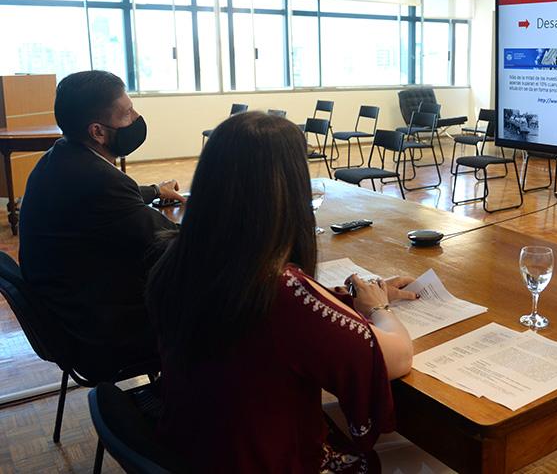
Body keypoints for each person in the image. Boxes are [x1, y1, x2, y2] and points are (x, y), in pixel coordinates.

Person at [147, 111, 416, 473]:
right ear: (288, 190)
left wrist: (349, 298)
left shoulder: (178, 259)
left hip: (198, 447)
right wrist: (381, 307)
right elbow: (397, 357)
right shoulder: (280, 292)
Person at [19, 70, 185, 378]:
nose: (137, 117)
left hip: (65, 315)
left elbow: (111, 199)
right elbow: (172, 240)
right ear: (98, 131)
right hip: (99, 334)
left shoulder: (61, 157)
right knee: (214, 306)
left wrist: (154, 191)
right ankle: (191, 410)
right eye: (127, 113)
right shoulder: (99, 181)